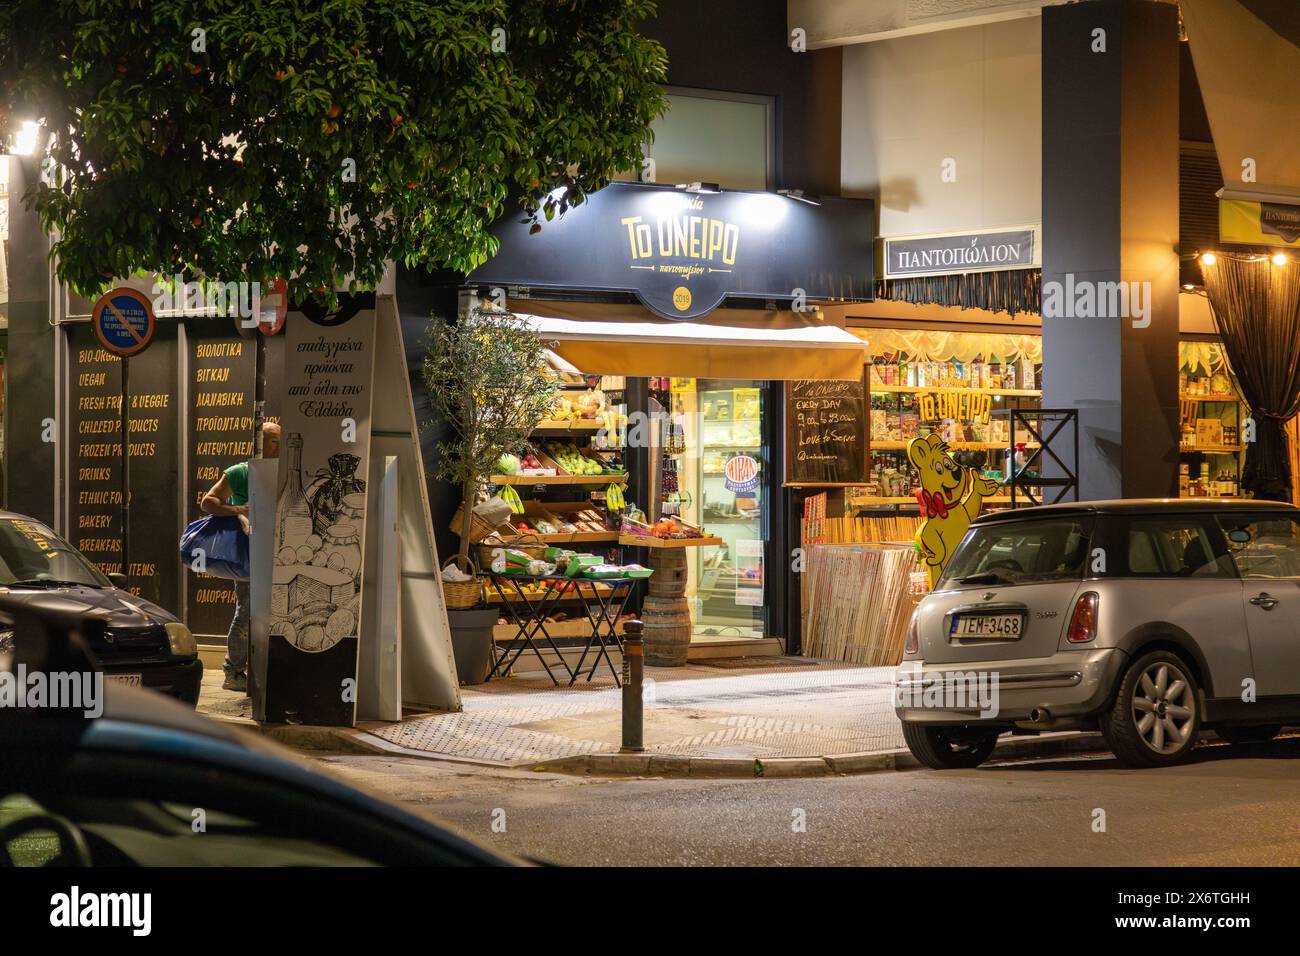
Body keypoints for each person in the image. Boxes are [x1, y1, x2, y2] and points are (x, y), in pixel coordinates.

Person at [201, 421, 280, 692]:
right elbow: (208, 501)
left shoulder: (286, 470)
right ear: (258, 443)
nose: (278, 447)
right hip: (248, 554)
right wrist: (236, 510)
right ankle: (233, 670)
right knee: (246, 610)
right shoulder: (239, 472)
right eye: (273, 441)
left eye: (281, 441)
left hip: (280, 552)